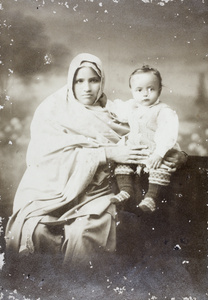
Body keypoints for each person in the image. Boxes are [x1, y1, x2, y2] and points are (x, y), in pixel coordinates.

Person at [5, 54, 186, 271]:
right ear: (70, 81)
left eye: (94, 80)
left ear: (102, 82)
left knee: (84, 232)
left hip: (97, 192)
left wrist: (178, 155)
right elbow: (41, 158)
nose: (87, 88)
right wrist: (108, 153)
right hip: (52, 191)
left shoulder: (116, 113)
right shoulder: (52, 110)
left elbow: (151, 133)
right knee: (36, 230)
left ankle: (80, 289)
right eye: (79, 81)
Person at [110, 65, 180, 213]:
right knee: (122, 164)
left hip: (156, 151)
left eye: (151, 89)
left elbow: (167, 133)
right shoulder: (133, 107)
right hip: (137, 150)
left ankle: (151, 198)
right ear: (132, 91)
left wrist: (159, 153)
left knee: (161, 167)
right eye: (139, 90)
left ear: (159, 90)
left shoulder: (164, 111)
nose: (145, 94)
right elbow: (119, 112)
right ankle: (126, 190)